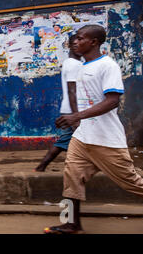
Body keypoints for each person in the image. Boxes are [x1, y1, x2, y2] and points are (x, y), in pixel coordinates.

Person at [44, 25, 143, 234]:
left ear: (94, 42)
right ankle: (72, 224)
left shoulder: (108, 66)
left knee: (133, 182)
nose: (76, 43)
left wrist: (76, 116)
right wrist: (75, 120)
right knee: (71, 178)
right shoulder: (81, 68)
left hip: (105, 140)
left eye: (80, 39)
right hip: (82, 138)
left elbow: (112, 101)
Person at [35, 35, 82, 172]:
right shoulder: (74, 64)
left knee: (69, 141)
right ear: (69, 46)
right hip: (73, 110)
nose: (78, 47)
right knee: (65, 141)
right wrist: (76, 115)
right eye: (75, 44)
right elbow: (72, 91)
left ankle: (42, 166)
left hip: (72, 109)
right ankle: (41, 166)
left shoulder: (71, 62)